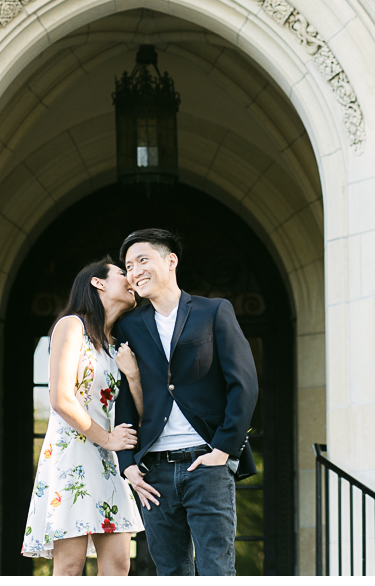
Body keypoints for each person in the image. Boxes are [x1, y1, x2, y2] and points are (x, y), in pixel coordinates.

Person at [115, 228, 258, 577]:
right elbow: (124, 397)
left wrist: (223, 450)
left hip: (206, 462)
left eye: (142, 260)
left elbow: (244, 384)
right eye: (128, 266)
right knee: (171, 572)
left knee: (216, 569)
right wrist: (126, 463)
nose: (134, 271)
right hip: (153, 471)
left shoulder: (213, 311)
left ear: (171, 261)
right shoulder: (129, 326)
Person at [22, 258, 145, 575]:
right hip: (72, 454)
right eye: (122, 273)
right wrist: (107, 437)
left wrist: (132, 377)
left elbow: (135, 411)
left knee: (119, 562)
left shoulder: (115, 346)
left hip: (108, 460)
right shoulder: (71, 325)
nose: (130, 278)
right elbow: (61, 397)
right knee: (71, 565)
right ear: (98, 282)